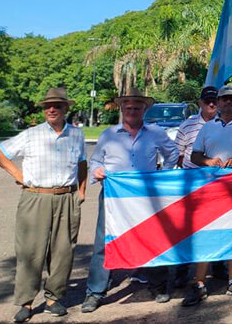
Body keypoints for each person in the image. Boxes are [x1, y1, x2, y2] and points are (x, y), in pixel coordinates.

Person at [83, 87, 179, 313]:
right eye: (127, 107)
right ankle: (95, 292)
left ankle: (158, 285)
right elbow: (96, 161)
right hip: (114, 197)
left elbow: (172, 153)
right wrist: (97, 172)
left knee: (153, 239)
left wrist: (162, 175)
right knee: (104, 242)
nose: (132, 110)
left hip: (146, 197)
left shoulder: (156, 133)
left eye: (137, 107)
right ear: (122, 108)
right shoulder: (108, 134)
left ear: (144, 109)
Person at [0, 88, 87, 322]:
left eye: (57, 105)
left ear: (66, 108)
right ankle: (26, 302)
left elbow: (82, 163)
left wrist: (82, 191)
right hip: (35, 198)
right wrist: (19, 174)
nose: (52, 109)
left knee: (63, 251)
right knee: (30, 251)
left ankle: (53, 299)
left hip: (66, 198)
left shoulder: (77, 135)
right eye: (48, 106)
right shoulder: (31, 134)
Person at [182, 85, 232, 307]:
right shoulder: (208, 128)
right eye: (224, 99)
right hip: (211, 188)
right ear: (217, 102)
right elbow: (195, 155)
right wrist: (208, 161)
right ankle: (199, 283)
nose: (228, 102)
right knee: (205, 233)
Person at [175, 86, 219, 169]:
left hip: (217, 176)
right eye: (207, 101)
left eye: (214, 101)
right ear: (200, 103)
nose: (211, 104)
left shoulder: (226, 124)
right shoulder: (186, 126)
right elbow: (178, 154)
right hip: (192, 177)